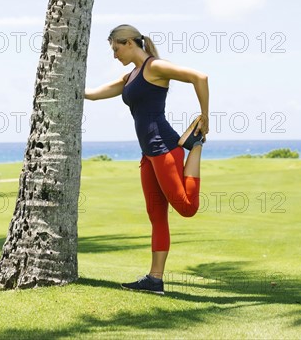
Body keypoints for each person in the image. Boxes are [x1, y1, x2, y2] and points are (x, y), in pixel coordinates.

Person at [84, 24, 209, 295]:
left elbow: (200, 77)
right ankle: (155, 280)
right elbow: (93, 95)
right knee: (156, 215)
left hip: (165, 148)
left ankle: (195, 145)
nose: (114, 55)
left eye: (116, 48)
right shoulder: (129, 78)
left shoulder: (155, 67)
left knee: (187, 208)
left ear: (129, 42)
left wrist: (205, 116)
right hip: (148, 154)